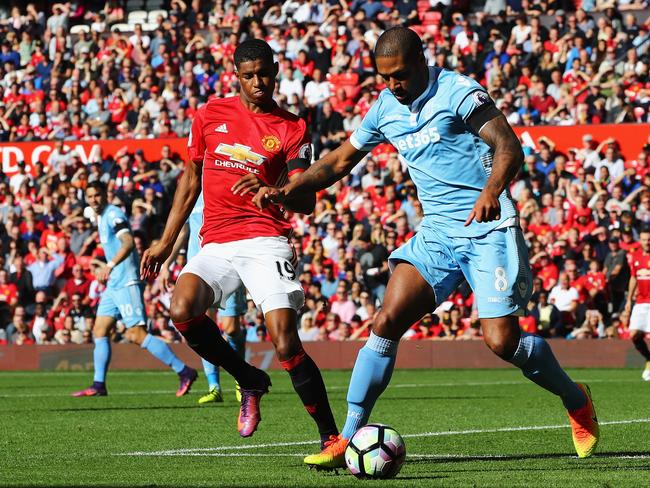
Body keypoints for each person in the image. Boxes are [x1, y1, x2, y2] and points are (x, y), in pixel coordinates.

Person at [252, 27, 599, 467]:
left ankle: (575, 399)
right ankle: (348, 436)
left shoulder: (457, 91)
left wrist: (492, 189)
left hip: (486, 225)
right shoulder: (384, 108)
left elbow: (508, 146)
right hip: (437, 233)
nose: (392, 85)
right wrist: (289, 188)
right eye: (384, 77)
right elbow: (340, 161)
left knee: (500, 340)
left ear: (421, 59)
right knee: (386, 319)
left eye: (399, 75)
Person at [140, 40, 338, 444]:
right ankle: (248, 378)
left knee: (284, 340)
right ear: (236, 75)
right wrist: (166, 241)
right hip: (217, 242)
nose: (257, 82)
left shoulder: (292, 127)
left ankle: (331, 438)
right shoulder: (211, 114)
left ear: (276, 70)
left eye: (263, 73)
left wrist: (274, 189)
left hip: (266, 239)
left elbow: (307, 199)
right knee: (182, 309)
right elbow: (190, 181)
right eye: (248, 76)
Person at [72, 181, 197, 397]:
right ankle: (99, 385)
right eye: (90, 196)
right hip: (114, 284)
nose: (94, 199)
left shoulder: (113, 215)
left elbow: (128, 242)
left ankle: (184, 371)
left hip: (126, 281)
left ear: (105, 195)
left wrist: (109, 266)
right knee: (100, 330)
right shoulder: (101, 217)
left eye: (97, 195)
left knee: (136, 334)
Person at [160, 192, 248, 404]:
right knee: (200, 325)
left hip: (227, 264)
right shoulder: (191, 190)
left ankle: (242, 377)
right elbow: (182, 231)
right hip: (197, 268)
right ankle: (214, 386)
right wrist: (166, 262)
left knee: (231, 327)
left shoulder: (225, 183)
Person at [624, 228, 650, 381]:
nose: (647, 242)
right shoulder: (635, 256)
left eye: (649, 239)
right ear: (640, 240)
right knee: (634, 335)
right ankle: (649, 358)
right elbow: (634, 277)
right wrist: (628, 300)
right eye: (644, 239)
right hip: (640, 301)